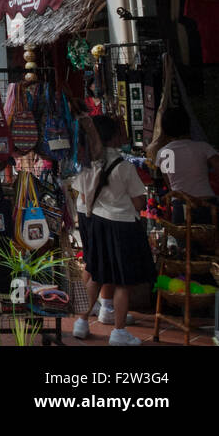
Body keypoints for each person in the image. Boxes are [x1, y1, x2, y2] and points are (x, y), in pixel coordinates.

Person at [71, 116, 153, 345]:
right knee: (122, 282)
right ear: (112, 136)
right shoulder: (125, 166)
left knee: (95, 275)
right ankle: (118, 332)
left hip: (98, 224)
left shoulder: (87, 164)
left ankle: (81, 322)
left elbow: (84, 198)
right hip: (123, 227)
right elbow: (139, 203)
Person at [156, 105, 219, 226]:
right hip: (208, 206)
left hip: (181, 206)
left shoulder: (164, 153)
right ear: (187, 125)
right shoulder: (203, 147)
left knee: (185, 244)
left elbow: (170, 184)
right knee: (212, 243)